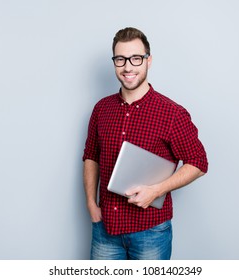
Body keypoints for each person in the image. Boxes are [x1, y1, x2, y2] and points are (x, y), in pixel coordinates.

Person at [82, 27, 208, 260]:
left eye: (135, 58)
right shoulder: (102, 109)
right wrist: (91, 203)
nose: (128, 67)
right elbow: (91, 155)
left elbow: (198, 162)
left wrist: (156, 190)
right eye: (120, 59)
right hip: (105, 229)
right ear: (114, 63)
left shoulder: (172, 113)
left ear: (148, 61)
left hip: (151, 231)